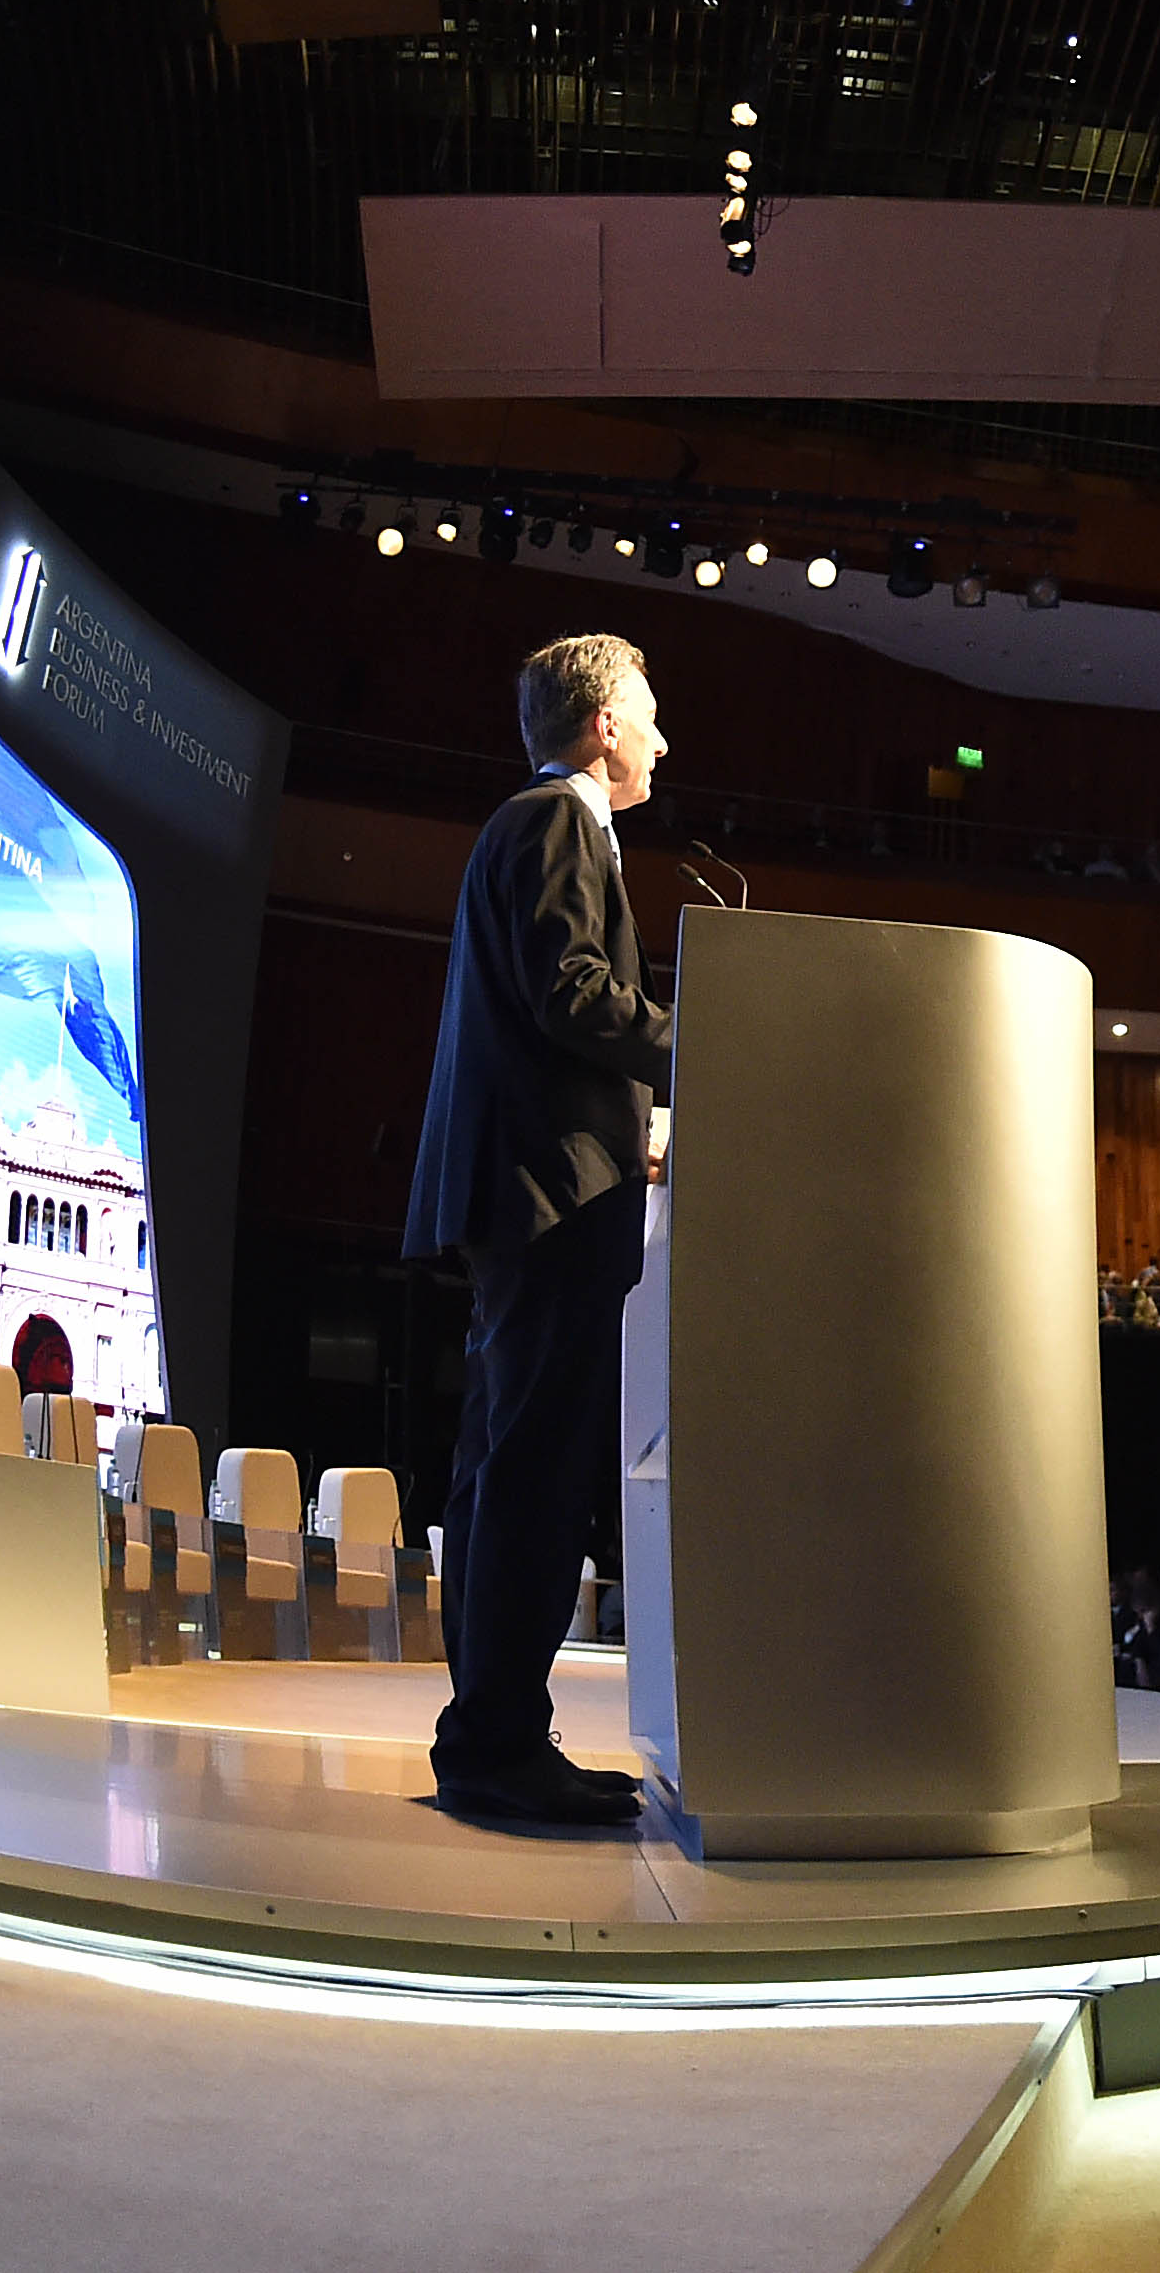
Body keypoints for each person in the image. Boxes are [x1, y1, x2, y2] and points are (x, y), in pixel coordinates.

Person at [406, 632, 678, 1826]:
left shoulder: (522, 825)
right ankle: (495, 1745)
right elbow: (575, 994)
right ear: (604, 725)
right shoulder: (560, 821)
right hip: (552, 1196)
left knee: (503, 1470)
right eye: (651, 715)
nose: (662, 739)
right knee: (534, 1475)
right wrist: (704, 1046)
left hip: (522, 1192)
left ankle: (491, 1733)